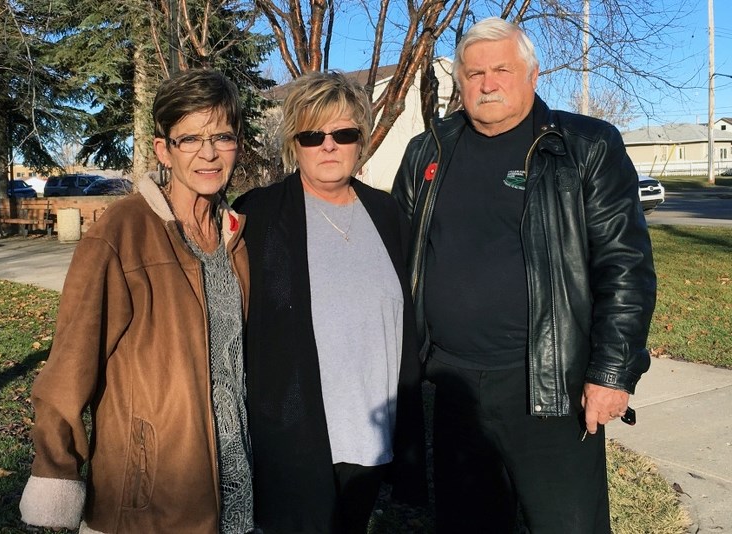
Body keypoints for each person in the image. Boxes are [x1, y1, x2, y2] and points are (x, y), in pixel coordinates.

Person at [392, 17, 656, 533]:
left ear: (533, 76)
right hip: (454, 386)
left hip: (551, 387)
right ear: (459, 83)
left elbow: (625, 267)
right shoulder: (429, 151)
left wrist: (610, 374)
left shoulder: (585, 146)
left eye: (501, 70)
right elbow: (397, 256)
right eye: (474, 73)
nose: (487, 83)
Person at [19, 69, 253, 534]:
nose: (208, 153)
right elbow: (69, 365)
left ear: (237, 144)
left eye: (222, 136)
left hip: (235, 485)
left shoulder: (235, 238)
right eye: (190, 139)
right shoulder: (121, 232)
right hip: (151, 496)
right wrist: (56, 471)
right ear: (163, 149)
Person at [234, 71, 427, 534]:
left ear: (360, 141)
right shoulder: (256, 214)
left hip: (371, 435)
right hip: (292, 436)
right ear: (293, 143)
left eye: (343, 133)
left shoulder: (387, 214)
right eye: (311, 134)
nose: (328, 145)